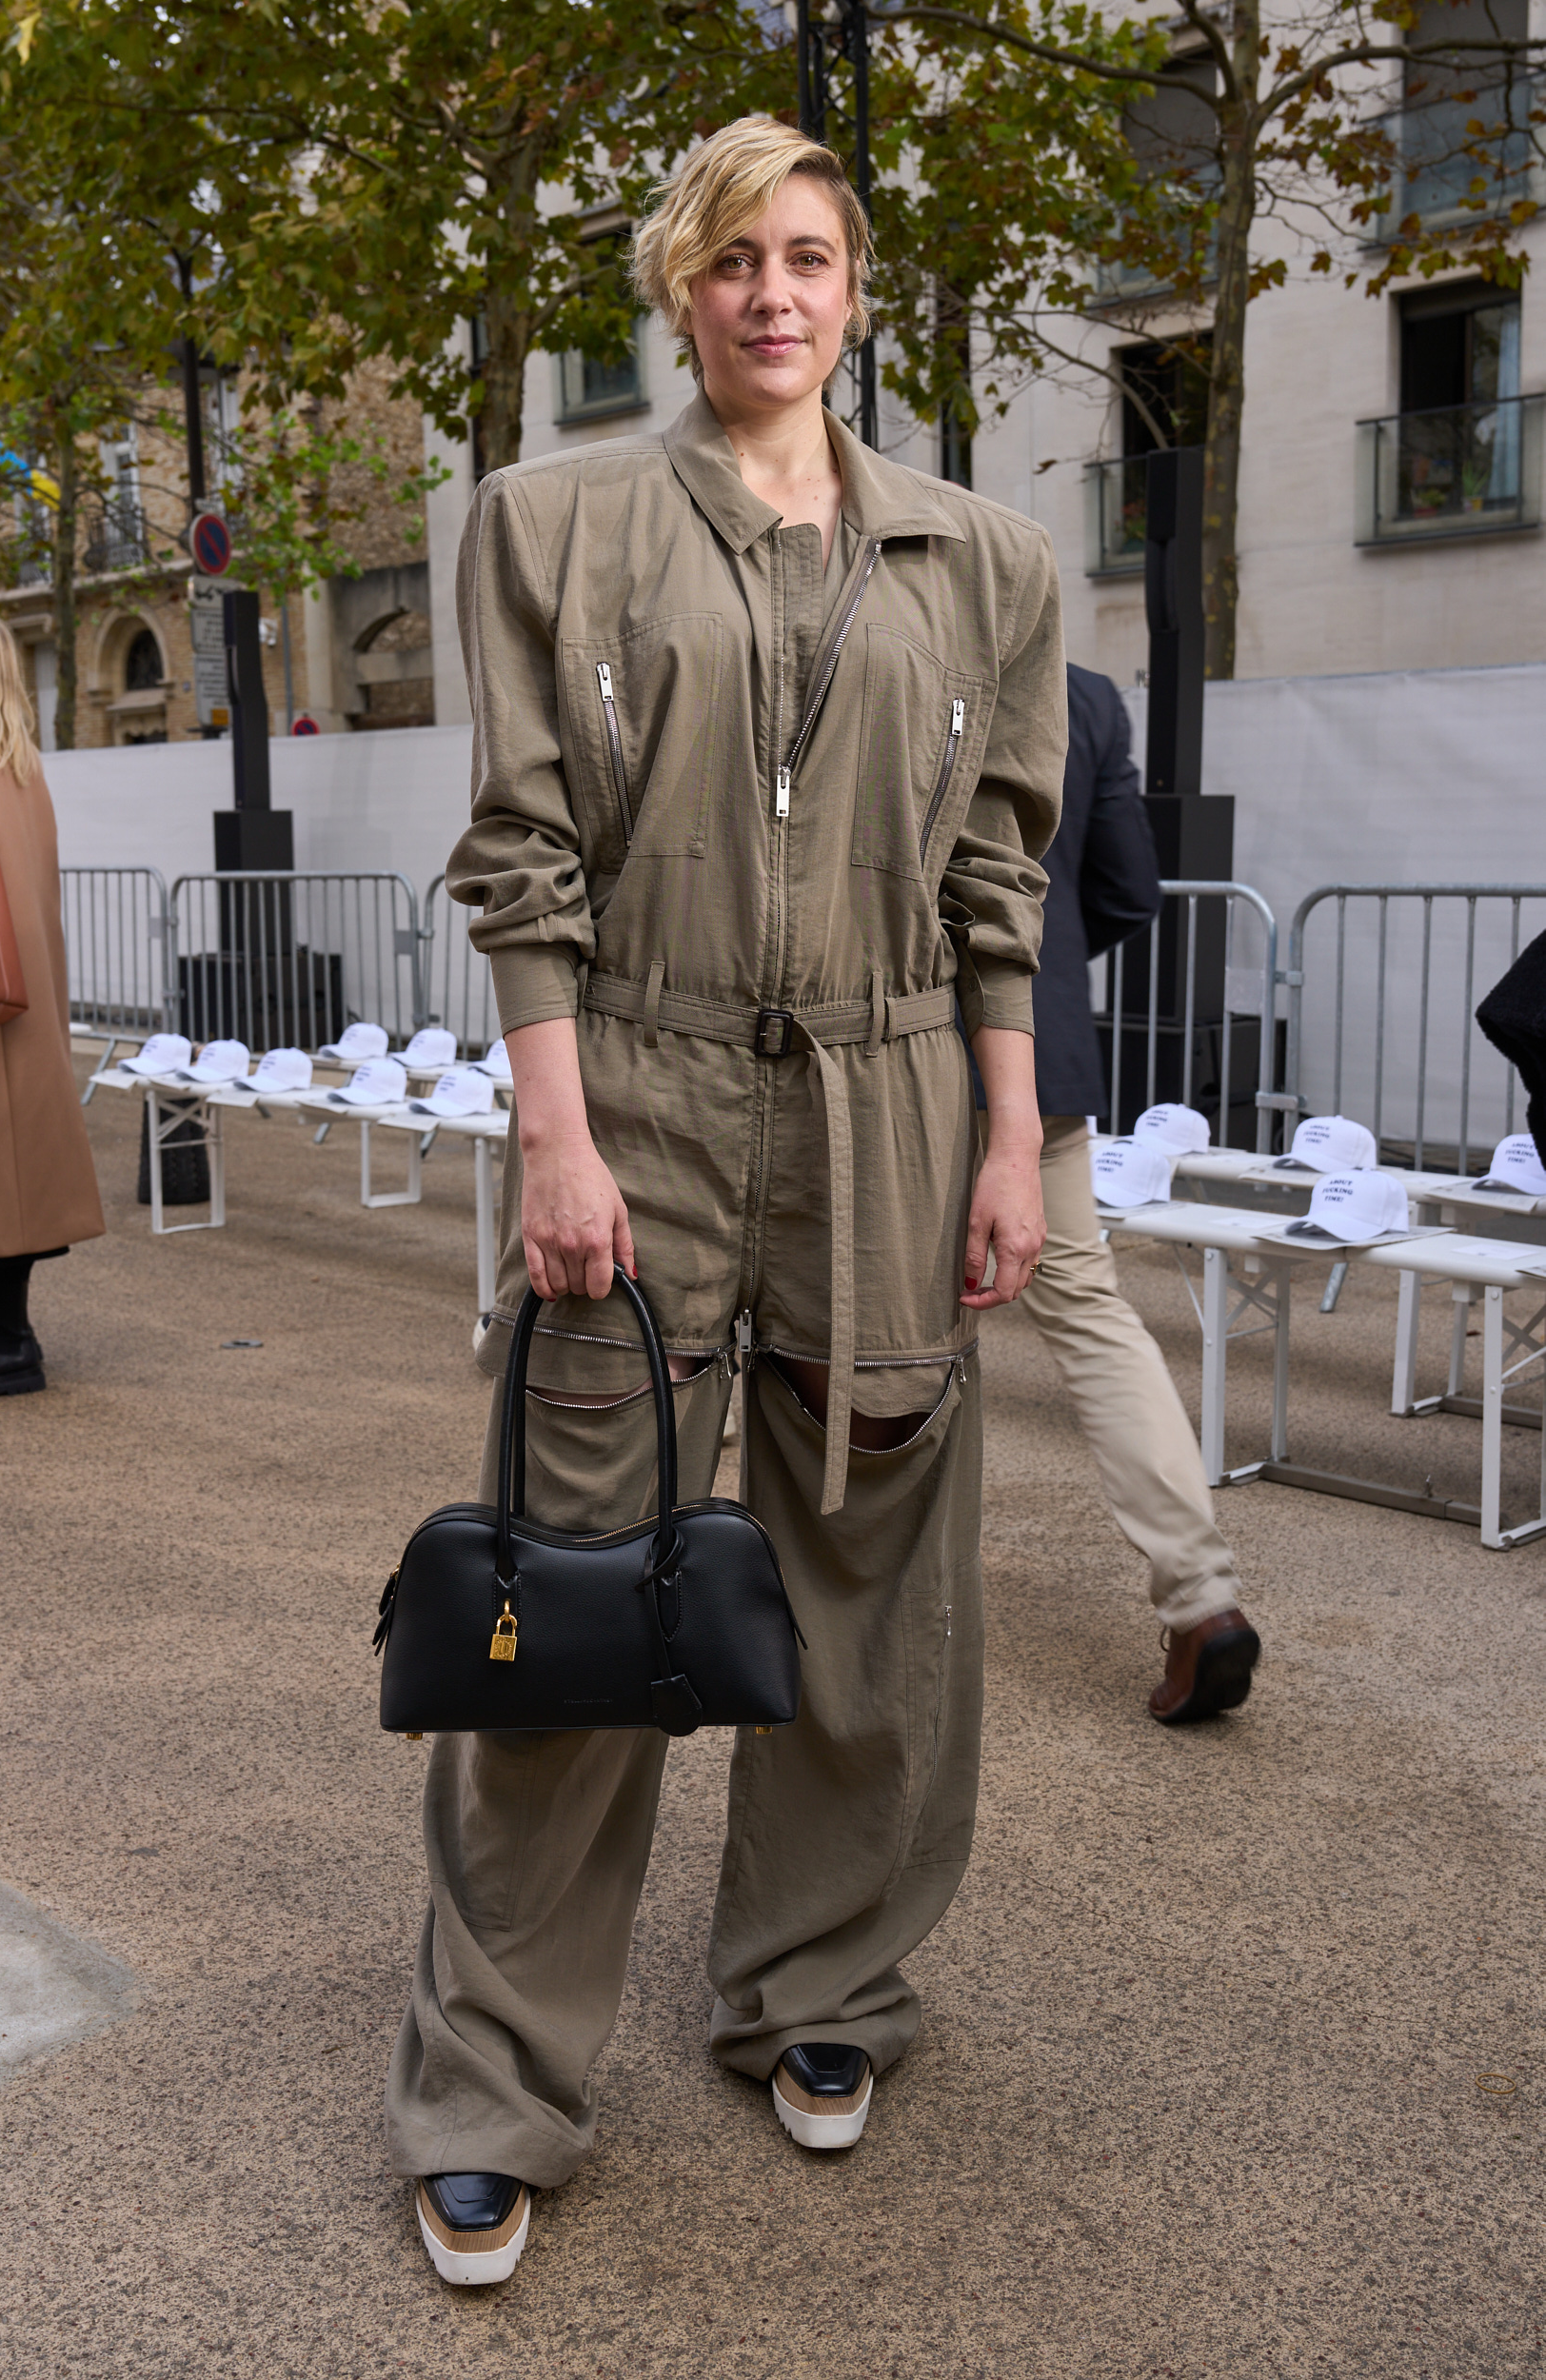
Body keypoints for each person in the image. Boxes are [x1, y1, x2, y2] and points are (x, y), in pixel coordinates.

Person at [384, 116, 1066, 2287]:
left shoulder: (985, 565)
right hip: (642, 1103)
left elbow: (994, 884)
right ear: (680, 291)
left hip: (892, 1114)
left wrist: (1008, 1138)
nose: (774, 291)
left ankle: (820, 1989)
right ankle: (491, 2088)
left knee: (874, 1590)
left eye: (812, 256)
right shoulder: (553, 528)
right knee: (575, 1592)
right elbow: (523, 856)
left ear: (857, 292)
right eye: (732, 259)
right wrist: (557, 1136)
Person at [1018, 662, 1260, 1722]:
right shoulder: (1080, 694)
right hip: (1040, 1060)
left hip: (877, 1064)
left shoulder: (850, 641)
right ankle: (1201, 1598)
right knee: (1089, 1316)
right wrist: (1046, 967)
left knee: (848, 1324)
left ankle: (846, 1615)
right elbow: (1125, 887)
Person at [0, 605, 104, 1400]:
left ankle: (10, 1341)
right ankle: (1, 1326)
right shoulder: (18, 759)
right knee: (3, 1172)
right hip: (21, 990)